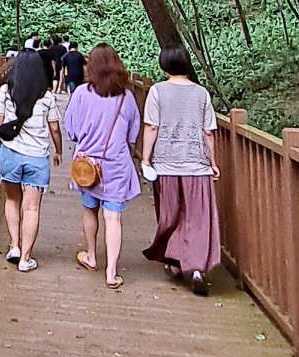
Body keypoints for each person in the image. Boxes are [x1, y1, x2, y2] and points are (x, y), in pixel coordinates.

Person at [140, 42, 221, 295]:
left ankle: (174, 260)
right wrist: (213, 162)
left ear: (164, 65)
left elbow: (151, 127)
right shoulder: (201, 93)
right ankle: (197, 268)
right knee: (198, 217)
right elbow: (208, 131)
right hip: (197, 164)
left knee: (171, 214)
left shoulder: (157, 91)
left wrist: (146, 158)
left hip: (167, 163)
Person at [61, 44, 139, 287]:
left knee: (89, 210)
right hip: (116, 164)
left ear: (90, 67)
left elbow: (71, 130)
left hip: (87, 166)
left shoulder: (82, 93)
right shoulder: (127, 97)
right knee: (113, 217)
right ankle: (111, 272)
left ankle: (92, 256)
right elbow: (132, 134)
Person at [0, 43, 62, 273]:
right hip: (37, 157)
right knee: (31, 208)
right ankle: (26, 259)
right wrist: (58, 150)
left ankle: (14, 246)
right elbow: (55, 128)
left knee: (12, 201)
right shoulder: (47, 97)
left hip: (10, 153)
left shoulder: (6, 92)